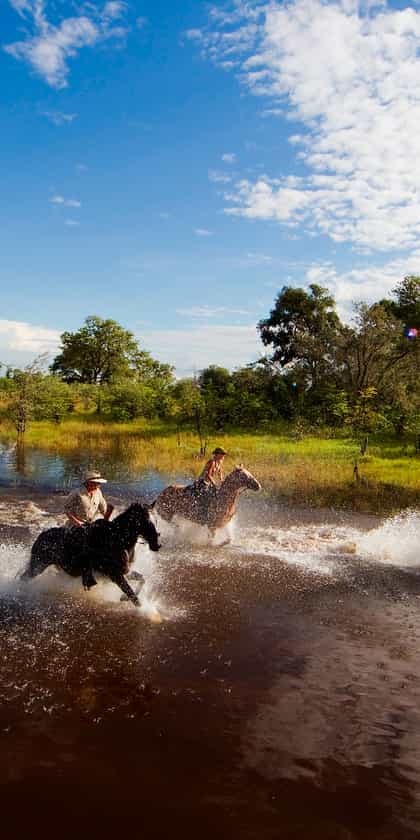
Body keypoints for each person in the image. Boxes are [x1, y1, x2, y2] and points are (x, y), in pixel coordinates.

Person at [64, 470, 114, 589]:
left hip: (91, 526)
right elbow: (67, 509)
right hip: (75, 526)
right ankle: (86, 578)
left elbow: (104, 510)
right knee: (85, 547)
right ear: (89, 483)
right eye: (96, 483)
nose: (98, 485)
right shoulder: (77, 493)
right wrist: (78, 523)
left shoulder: (98, 492)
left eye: (99, 483)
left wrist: (108, 520)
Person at [185, 447, 227, 520]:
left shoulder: (219, 462)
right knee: (206, 496)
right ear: (217, 454)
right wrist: (214, 483)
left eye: (223, 454)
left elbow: (220, 473)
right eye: (222, 454)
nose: (223, 455)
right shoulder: (212, 462)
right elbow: (208, 475)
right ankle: (203, 513)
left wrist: (222, 480)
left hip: (208, 483)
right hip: (202, 482)